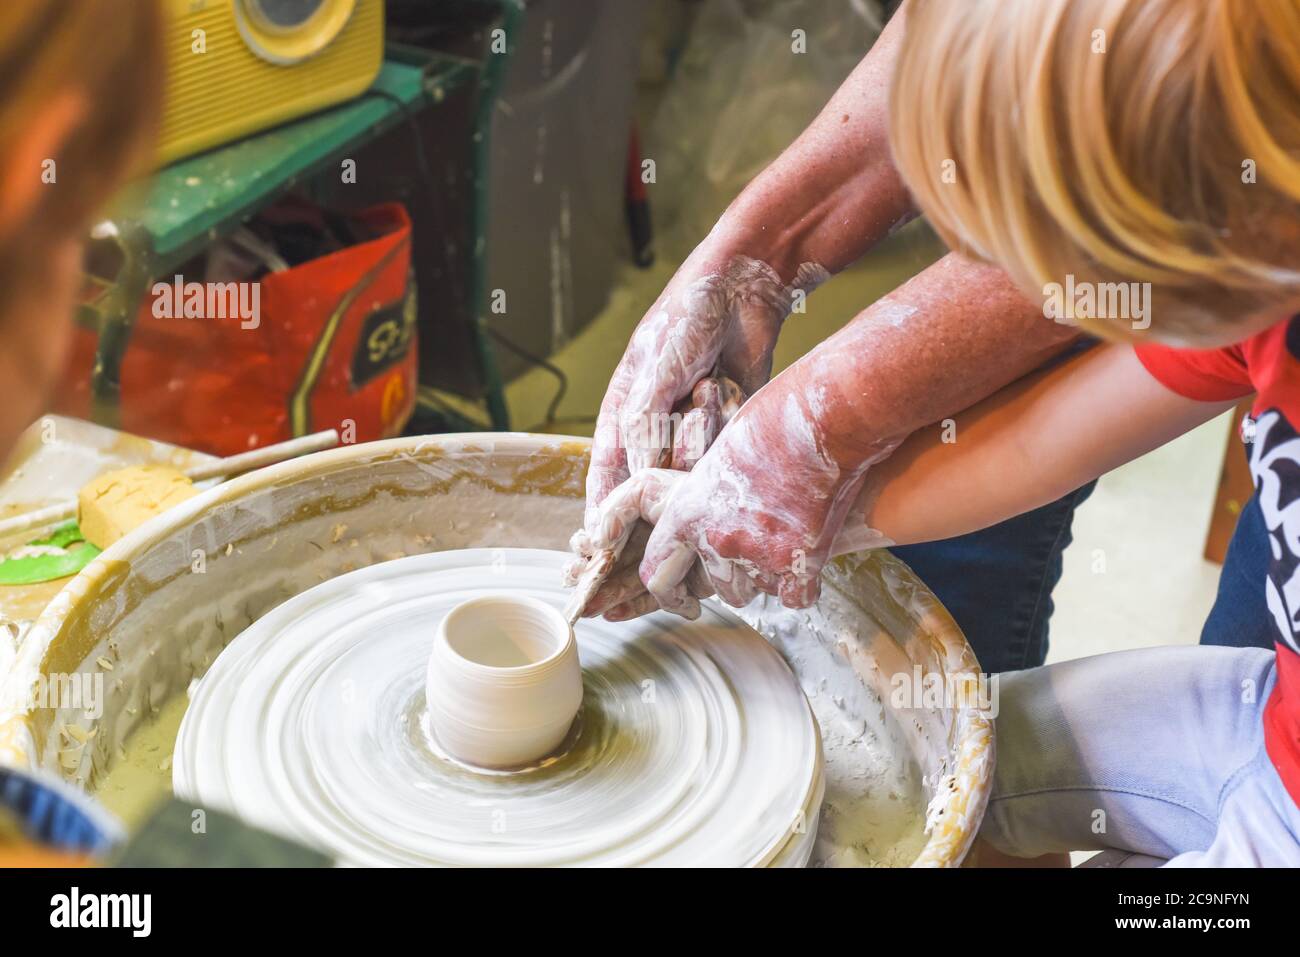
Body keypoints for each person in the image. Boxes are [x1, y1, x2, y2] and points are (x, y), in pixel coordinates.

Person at [579, 0, 1300, 864]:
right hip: (1269, 720)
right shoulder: (1248, 285)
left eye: (1104, 269)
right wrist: (757, 496)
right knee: (962, 771)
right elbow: (1034, 444)